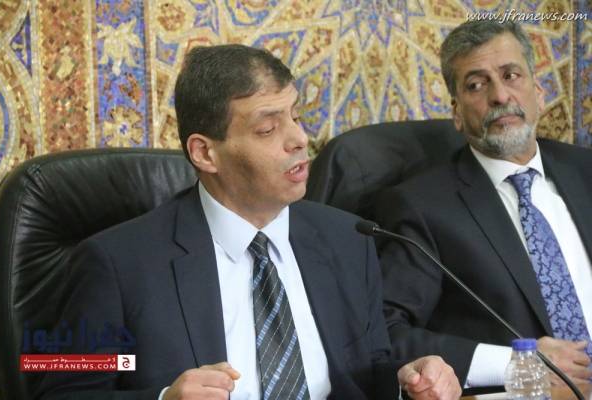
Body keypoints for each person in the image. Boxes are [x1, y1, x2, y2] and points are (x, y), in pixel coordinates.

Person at [37, 44, 461, 400]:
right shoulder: (116, 265)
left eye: (295, 116)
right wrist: (163, 398)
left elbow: (368, 368)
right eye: (267, 129)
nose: (299, 139)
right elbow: (60, 392)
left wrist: (406, 380)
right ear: (205, 153)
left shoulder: (348, 239)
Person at [373, 19, 592, 392]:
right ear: (457, 114)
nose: (500, 96)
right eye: (477, 85)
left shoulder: (586, 170)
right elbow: (387, 333)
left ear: (540, 93)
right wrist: (518, 363)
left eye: (511, 76)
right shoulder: (422, 207)